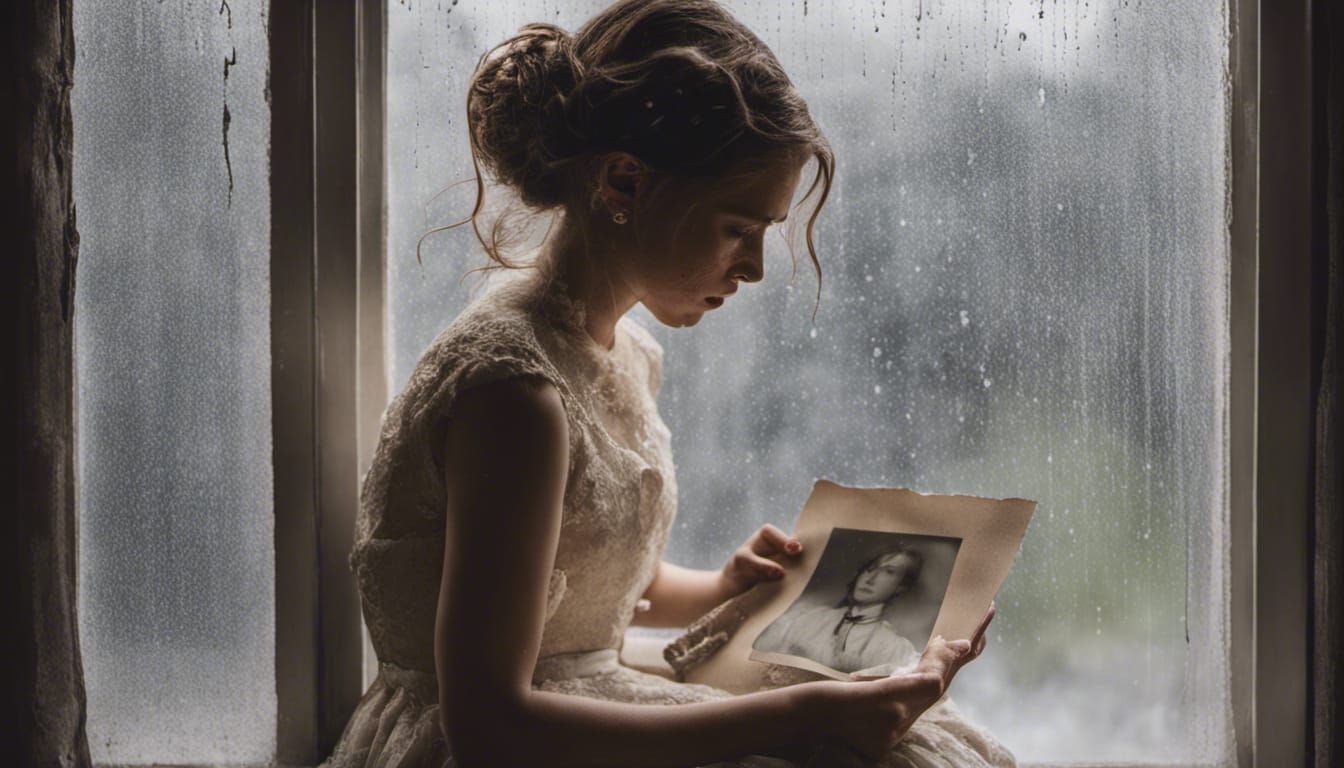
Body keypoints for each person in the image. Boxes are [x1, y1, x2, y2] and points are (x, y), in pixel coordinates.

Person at [320, 2, 1012, 766]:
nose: (751, 269)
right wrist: (801, 710)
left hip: (580, 696)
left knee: (900, 741)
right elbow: (489, 727)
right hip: (511, 742)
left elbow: (578, 592)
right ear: (623, 181)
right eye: (736, 228)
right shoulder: (515, 397)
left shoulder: (621, 355)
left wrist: (715, 586)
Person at [754, 546, 926, 677]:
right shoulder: (810, 619)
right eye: (870, 568)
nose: (870, 578)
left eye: (889, 572)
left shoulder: (894, 648)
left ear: (901, 587)